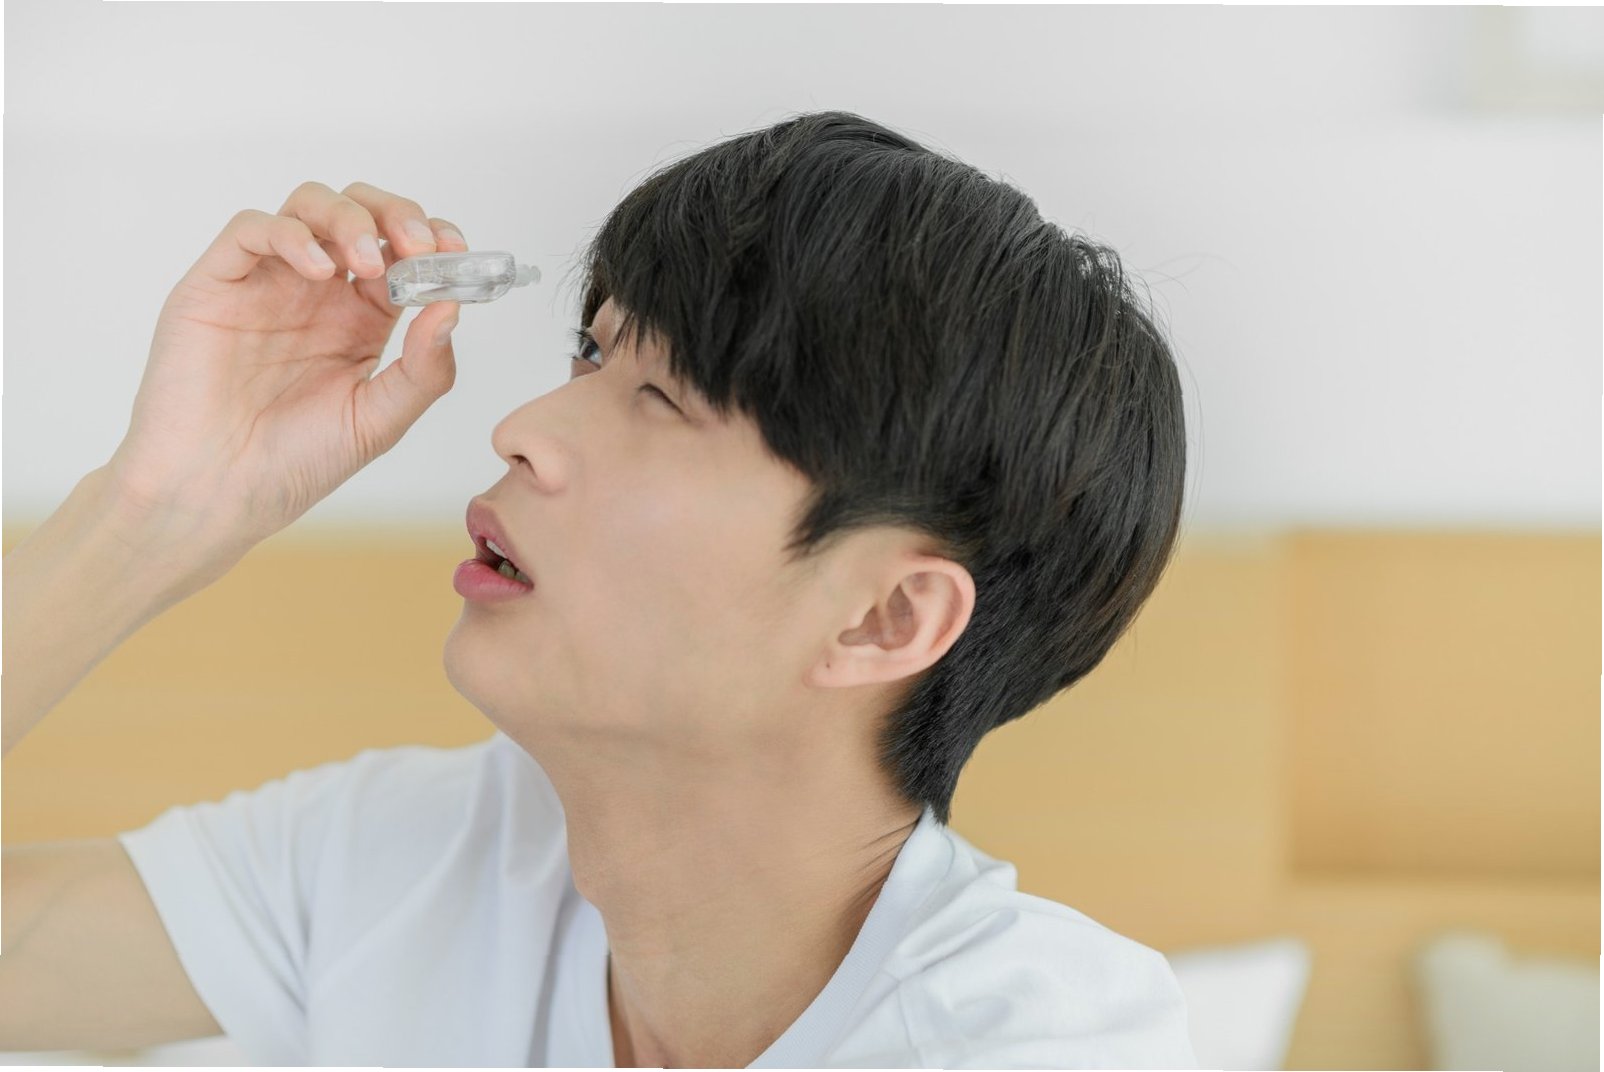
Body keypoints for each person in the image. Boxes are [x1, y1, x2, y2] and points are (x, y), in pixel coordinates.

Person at [2, 110, 1196, 1068]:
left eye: (663, 400)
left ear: (883, 618)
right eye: (590, 351)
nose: (523, 429)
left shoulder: (1037, 1040)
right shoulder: (422, 859)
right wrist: (145, 518)